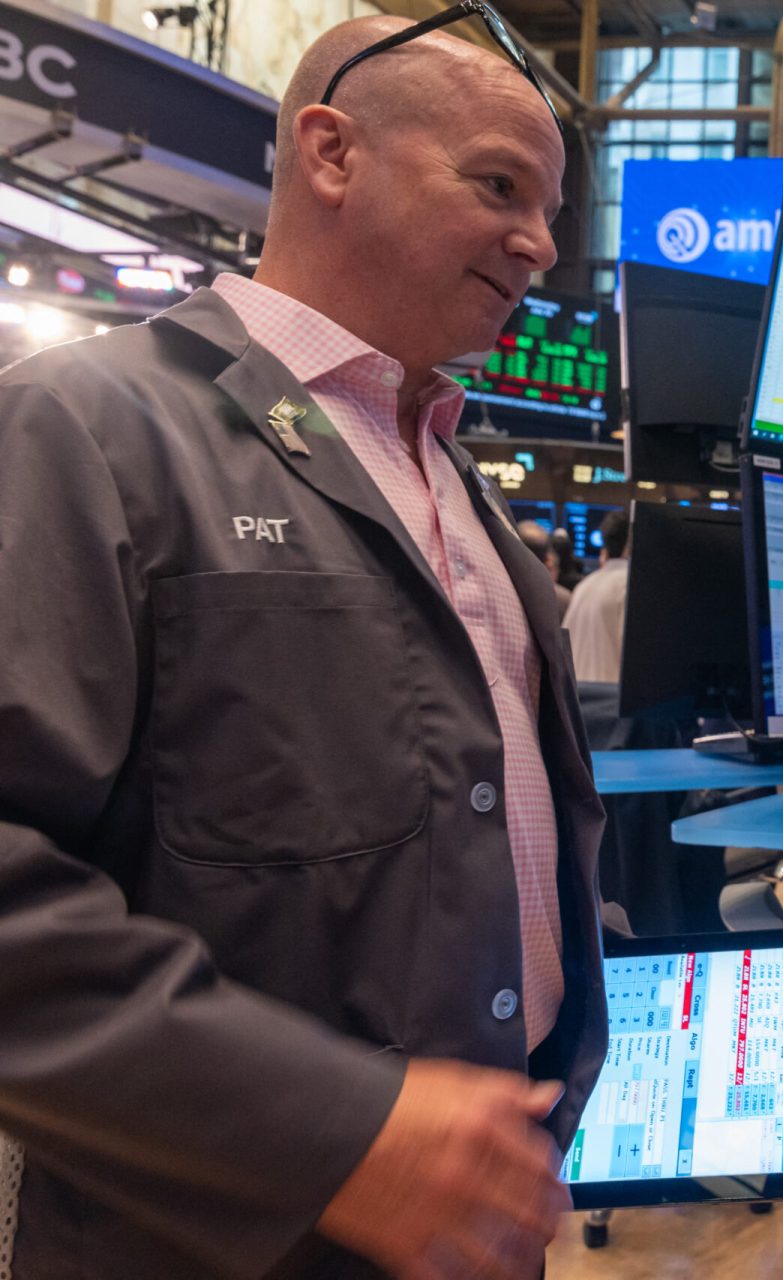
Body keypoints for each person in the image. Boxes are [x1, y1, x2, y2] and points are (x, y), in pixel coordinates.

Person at [0, 13, 610, 1280]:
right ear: (332, 153)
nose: (542, 245)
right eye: (500, 186)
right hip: (212, 1235)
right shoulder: (84, 426)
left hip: (470, 1225)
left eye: (550, 211)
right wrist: (331, 1129)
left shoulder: (465, 498)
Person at [563, 508, 632, 684]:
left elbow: (563, 653)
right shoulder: (630, 586)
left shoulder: (583, 586)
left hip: (576, 695)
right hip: (611, 698)